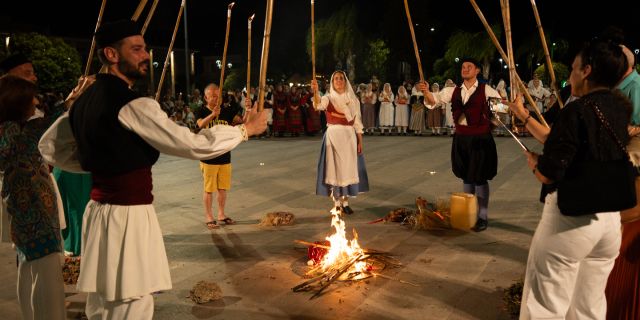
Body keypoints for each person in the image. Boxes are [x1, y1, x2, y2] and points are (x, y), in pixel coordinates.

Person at [38, 20, 266, 319]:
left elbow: (50, 146)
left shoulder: (83, 101)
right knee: (131, 303)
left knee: (104, 302)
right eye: (136, 49)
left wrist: (102, 165)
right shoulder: (132, 104)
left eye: (144, 48)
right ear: (111, 54)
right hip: (126, 216)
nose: (145, 55)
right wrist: (244, 131)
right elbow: (191, 143)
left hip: (100, 212)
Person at [512, 37, 633, 319]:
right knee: (588, 307)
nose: (571, 74)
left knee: (546, 306)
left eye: (574, 68)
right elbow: (577, 146)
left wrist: (535, 164)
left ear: (587, 70)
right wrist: (527, 117)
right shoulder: (620, 108)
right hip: (609, 223)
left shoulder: (576, 111)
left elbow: (547, 173)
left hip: (572, 219)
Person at [0, 75, 66, 319]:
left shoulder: (10, 130)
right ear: (19, 103)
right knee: (47, 276)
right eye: (33, 99)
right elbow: (52, 122)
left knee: (29, 269)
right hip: (35, 213)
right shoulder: (20, 133)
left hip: (24, 212)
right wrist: (71, 101)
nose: (37, 102)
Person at [418, 58, 502, 231]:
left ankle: (482, 216)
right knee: (466, 176)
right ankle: (468, 213)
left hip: (480, 140)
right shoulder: (452, 91)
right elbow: (434, 101)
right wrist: (426, 92)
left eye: (469, 67)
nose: (465, 69)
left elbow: (500, 110)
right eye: (463, 67)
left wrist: (488, 128)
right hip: (461, 139)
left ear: (477, 70)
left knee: (479, 178)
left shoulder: (487, 90)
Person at [310, 71, 369, 214]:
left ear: (345, 80)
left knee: (347, 169)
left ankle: (346, 202)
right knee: (335, 170)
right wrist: (315, 91)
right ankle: (337, 203)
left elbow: (358, 122)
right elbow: (317, 106)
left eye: (341, 78)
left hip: (349, 137)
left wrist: (359, 142)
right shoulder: (328, 98)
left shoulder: (353, 99)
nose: (338, 80)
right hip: (333, 137)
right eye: (336, 78)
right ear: (332, 82)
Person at [196, 84, 245, 230]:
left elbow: (242, 121)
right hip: (208, 156)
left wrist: (247, 109)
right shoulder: (201, 110)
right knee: (209, 189)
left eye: (218, 96)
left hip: (225, 154)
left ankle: (221, 214)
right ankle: (209, 216)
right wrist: (212, 115)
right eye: (213, 96)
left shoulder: (227, 111)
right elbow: (199, 125)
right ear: (206, 97)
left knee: (223, 188)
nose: (216, 99)